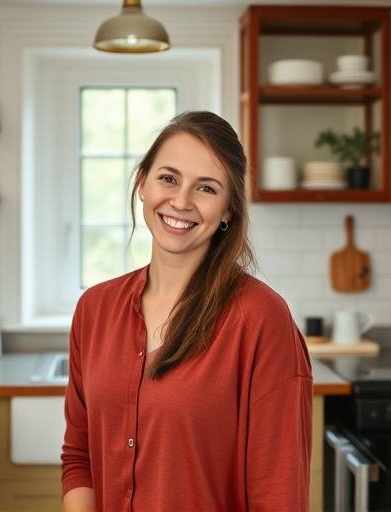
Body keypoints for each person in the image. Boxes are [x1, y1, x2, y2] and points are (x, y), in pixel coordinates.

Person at [60, 111, 313, 512]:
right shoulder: (95, 309)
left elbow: (278, 494)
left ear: (229, 209)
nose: (180, 201)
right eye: (168, 178)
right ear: (143, 183)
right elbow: (79, 459)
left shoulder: (261, 319)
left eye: (207, 188)